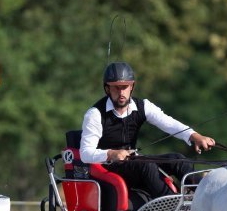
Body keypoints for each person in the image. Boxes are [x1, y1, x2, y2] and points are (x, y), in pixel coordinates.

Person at [79, 61, 216, 200]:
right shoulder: (95, 114)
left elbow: (168, 123)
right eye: (116, 88)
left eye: (125, 87)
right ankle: (172, 206)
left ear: (131, 86)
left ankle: (204, 199)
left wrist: (194, 136)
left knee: (177, 159)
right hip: (108, 168)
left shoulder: (142, 106)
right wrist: (111, 153)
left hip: (133, 163)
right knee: (146, 165)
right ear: (107, 89)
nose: (121, 92)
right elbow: (85, 153)